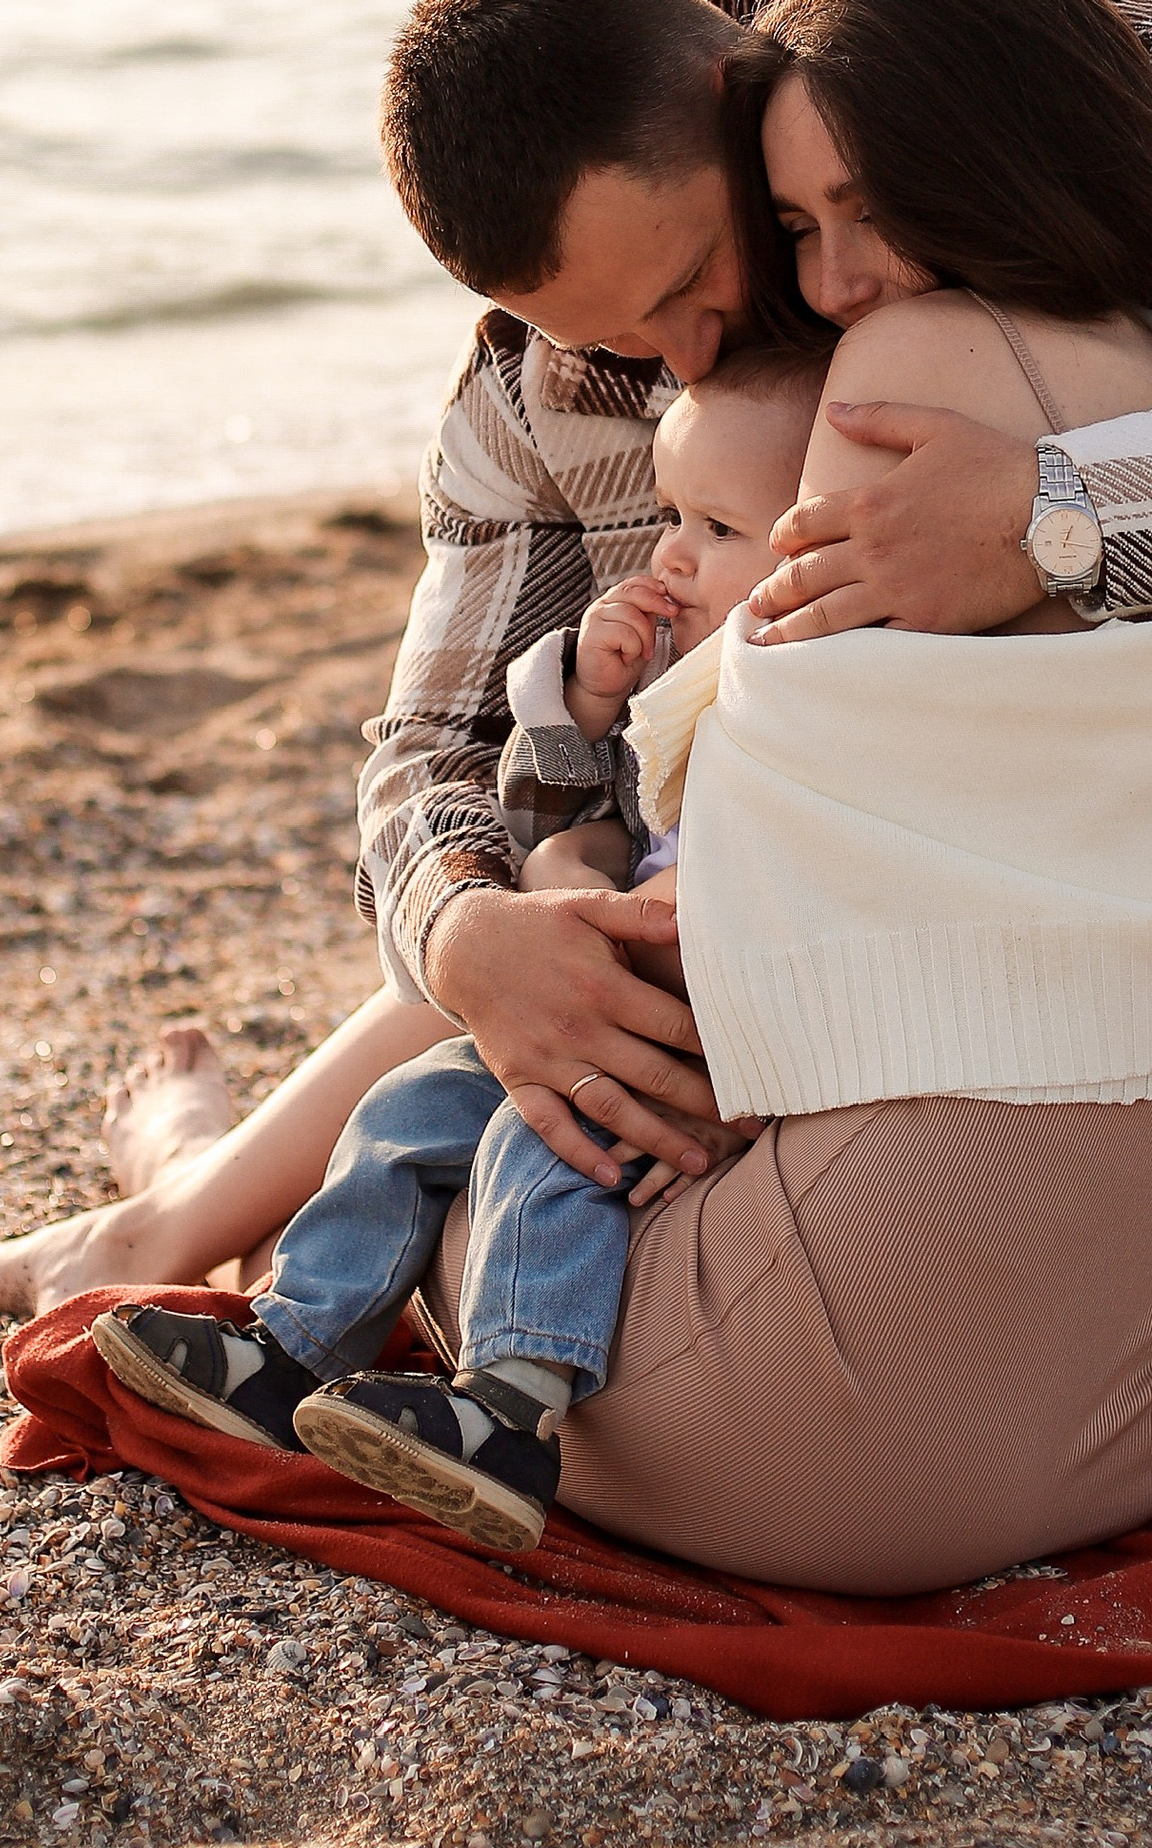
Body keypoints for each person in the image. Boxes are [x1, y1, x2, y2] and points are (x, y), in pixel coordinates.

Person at [0, 0, 1152, 1435]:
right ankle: (174, 1207)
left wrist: (1051, 514)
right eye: (614, 340)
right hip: (891, 857)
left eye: (685, 290)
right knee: (546, 1095)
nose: (682, 365)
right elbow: (438, 741)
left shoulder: (1095, 88)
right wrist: (463, 933)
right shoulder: (549, 372)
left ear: (735, 102)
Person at [87, 344, 822, 1554]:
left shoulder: (822, 695)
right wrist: (583, 711)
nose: (671, 557)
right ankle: (292, 1342)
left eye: (718, 528)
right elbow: (558, 819)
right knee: (405, 1108)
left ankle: (510, 1408)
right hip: (600, 992)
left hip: (699, 1043)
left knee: (545, 1150)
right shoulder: (685, 688)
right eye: (671, 515)